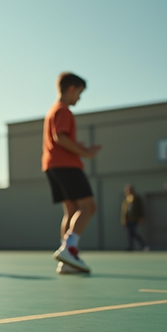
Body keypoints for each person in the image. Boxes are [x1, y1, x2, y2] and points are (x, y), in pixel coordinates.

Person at [43, 72, 101, 274]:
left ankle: (67, 260)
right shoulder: (64, 110)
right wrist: (84, 152)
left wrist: (77, 146)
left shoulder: (52, 110)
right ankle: (69, 249)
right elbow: (60, 137)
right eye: (79, 93)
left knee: (71, 209)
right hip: (66, 165)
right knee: (89, 206)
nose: (79, 97)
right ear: (71, 89)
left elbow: (60, 139)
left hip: (51, 165)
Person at [120, 185, 148, 251]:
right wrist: (123, 219)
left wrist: (141, 217)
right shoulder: (126, 200)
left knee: (133, 233)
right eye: (127, 190)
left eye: (129, 190)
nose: (128, 191)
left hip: (134, 219)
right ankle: (130, 247)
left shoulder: (137, 199)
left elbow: (140, 209)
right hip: (128, 220)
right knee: (130, 234)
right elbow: (124, 211)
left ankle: (144, 245)